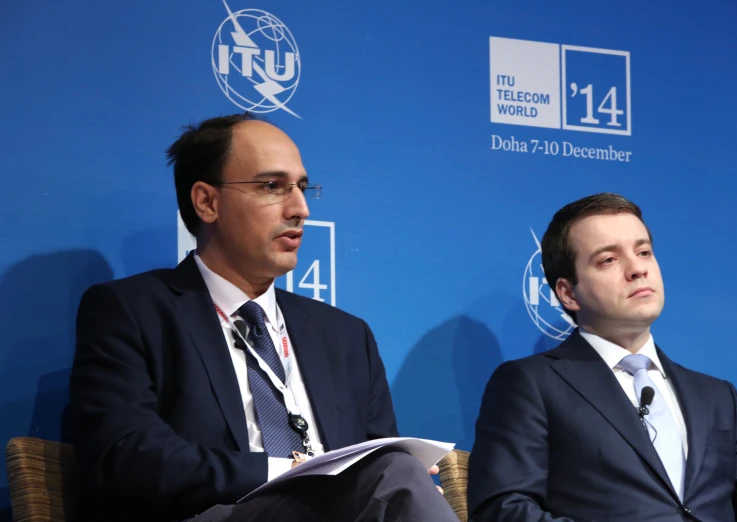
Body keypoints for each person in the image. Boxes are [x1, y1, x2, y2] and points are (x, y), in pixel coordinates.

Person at [69, 113, 458, 522]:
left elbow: (380, 464)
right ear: (207, 202)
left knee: (400, 471)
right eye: (272, 187)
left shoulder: (345, 336)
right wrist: (285, 472)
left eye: (303, 188)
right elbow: (125, 455)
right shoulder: (132, 310)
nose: (300, 209)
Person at [468, 193, 737, 522]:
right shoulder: (531, 384)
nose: (637, 269)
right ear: (568, 293)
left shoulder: (718, 397)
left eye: (644, 252)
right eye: (608, 260)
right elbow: (503, 510)